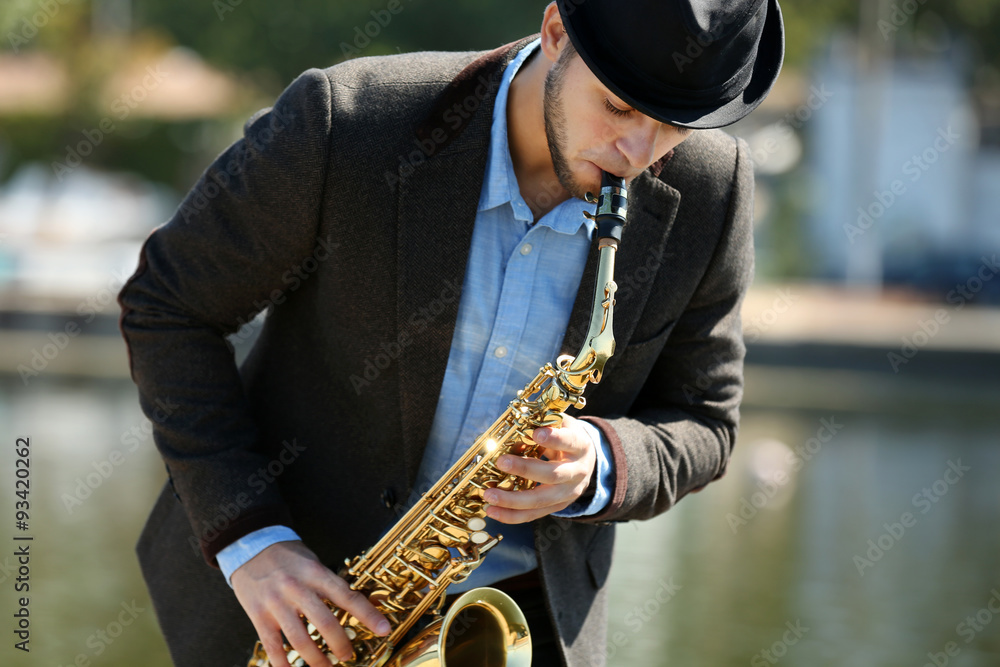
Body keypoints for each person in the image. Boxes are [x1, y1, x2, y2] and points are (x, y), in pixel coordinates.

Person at [117, 1, 784, 665]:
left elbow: (706, 421)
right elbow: (167, 305)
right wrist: (253, 540)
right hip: (286, 619)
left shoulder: (712, 189)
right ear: (556, 33)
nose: (637, 154)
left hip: (514, 629)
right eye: (616, 107)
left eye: (671, 126)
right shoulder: (349, 123)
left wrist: (603, 461)